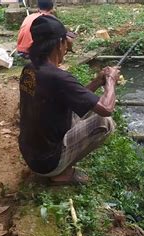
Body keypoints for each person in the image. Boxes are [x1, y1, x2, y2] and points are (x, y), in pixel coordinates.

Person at [18, 15, 120, 185]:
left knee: (82, 109)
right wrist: (110, 81)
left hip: (31, 155)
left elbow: (75, 97)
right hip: (47, 162)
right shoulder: (58, 77)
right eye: (66, 42)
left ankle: (55, 165)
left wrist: (97, 81)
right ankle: (62, 173)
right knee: (105, 122)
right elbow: (106, 108)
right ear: (59, 44)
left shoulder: (29, 69)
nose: (67, 47)